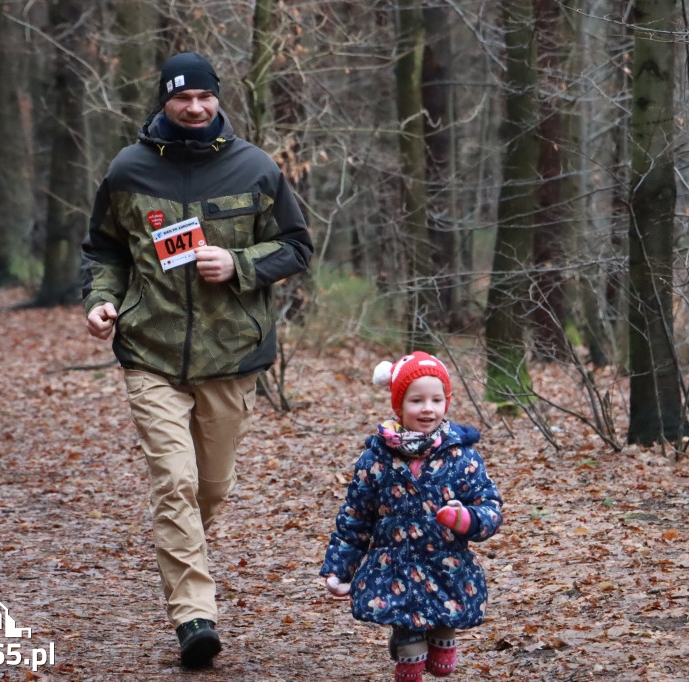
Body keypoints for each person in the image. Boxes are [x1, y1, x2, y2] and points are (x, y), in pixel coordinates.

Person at [81, 52, 313, 668]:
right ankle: (194, 617)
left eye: (203, 98)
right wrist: (103, 301)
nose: (193, 108)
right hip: (149, 351)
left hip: (231, 354)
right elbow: (103, 250)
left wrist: (237, 264)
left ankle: (179, 544)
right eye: (181, 99)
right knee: (175, 482)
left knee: (210, 486)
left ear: (217, 99)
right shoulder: (128, 170)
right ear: (164, 101)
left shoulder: (256, 167)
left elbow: (296, 246)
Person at [320, 352, 503, 682]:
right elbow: (355, 518)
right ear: (398, 406)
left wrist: (468, 519)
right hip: (396, 568)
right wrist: (339, 568)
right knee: (410, 655)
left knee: (443, 656)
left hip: (448, 565)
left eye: (436, 399)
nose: (428, 408)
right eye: (417, 400)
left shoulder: (463, 456)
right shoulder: (376, 460)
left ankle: (441, 642)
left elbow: (489, 505)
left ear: (446, 403)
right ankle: (406, 656)